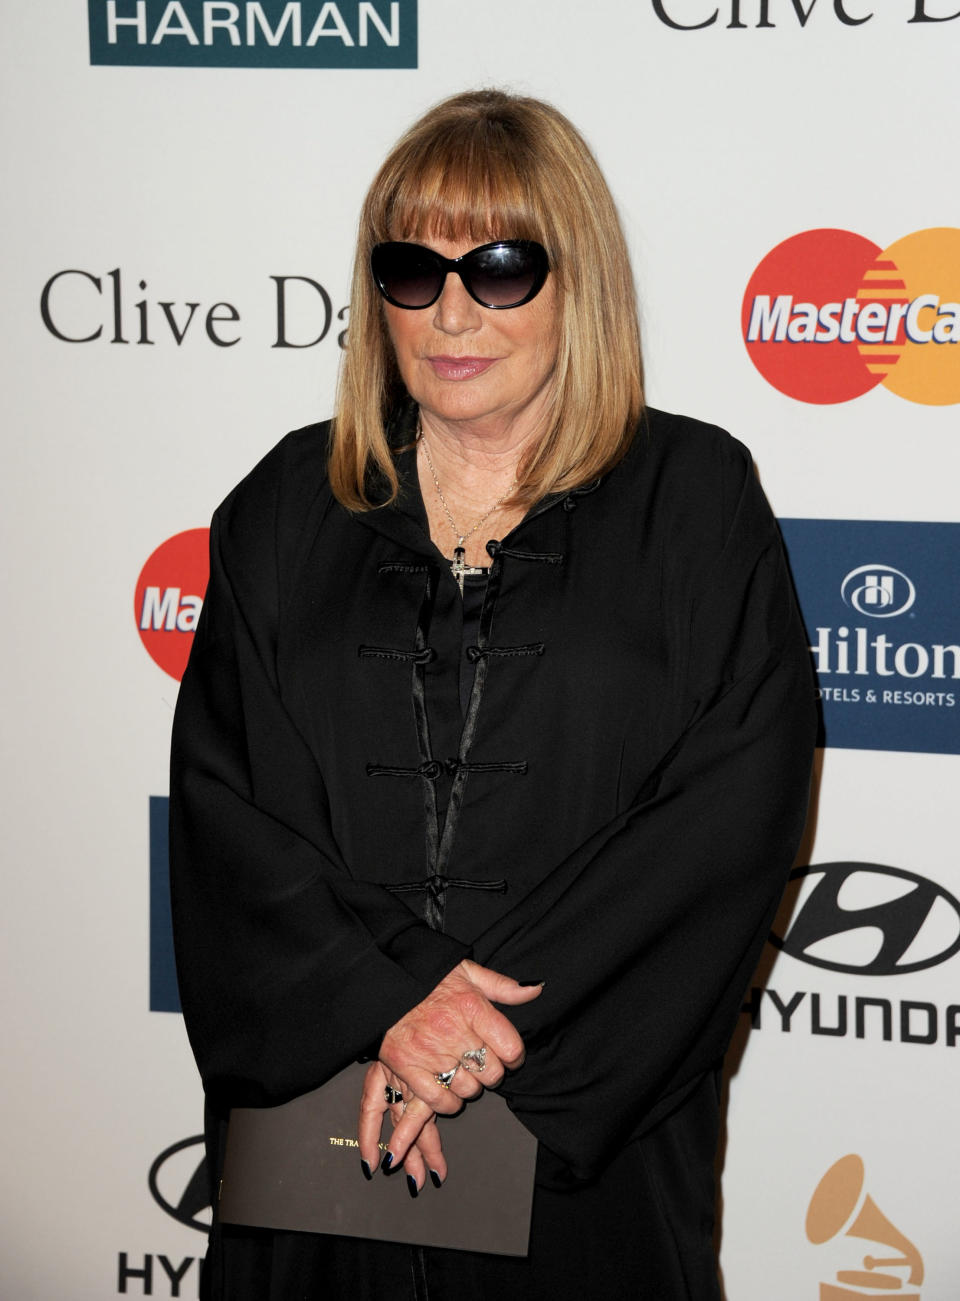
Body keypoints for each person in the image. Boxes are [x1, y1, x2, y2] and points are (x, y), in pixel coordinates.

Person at [169, 88, 817, 1300]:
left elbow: (721, 827)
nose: (452, 310)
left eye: (503, 267)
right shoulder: (280, 512)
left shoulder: (696, 501)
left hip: (580, 1169)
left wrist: (463, 1036)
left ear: (580, 283)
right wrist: (386, 1004)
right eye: (412, 269)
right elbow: (226, 822)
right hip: (320, 1163)